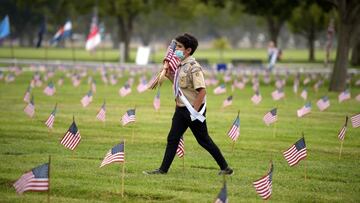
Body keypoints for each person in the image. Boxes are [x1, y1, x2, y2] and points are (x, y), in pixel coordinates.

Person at [143, 33, 233, 175]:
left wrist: (194, 112)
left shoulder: (193, 67)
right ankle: (162, 170)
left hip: (193, 110)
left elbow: (202, 91)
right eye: (176, 46)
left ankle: (225, 168)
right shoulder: (180, 65)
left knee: (203, 141)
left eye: (179, 47)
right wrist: (170, 76)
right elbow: (181, 87)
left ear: (188, 50)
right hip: (180, 110)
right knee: (173, 138)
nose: (175, 50)